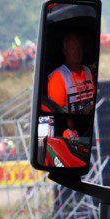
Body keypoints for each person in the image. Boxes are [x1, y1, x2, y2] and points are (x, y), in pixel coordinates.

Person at [41, 28, 97, 169]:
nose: (77, 52)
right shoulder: (58, 78)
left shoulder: (89, 72)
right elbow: (58, 111)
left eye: (79, 48)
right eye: (73, 48)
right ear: (65, 51)